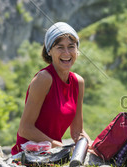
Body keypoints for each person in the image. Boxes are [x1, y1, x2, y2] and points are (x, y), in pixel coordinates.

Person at [11, 22, 91, 155]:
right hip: (29, 155)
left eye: (71, 47)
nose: (66, 53)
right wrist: (59, 147)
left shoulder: (78, 82)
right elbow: (25, 129)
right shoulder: (44, 79)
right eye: (60, 47)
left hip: (54, 154)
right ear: (49, 51)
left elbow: (78, 132)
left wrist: (93, 148)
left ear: (77, 50)